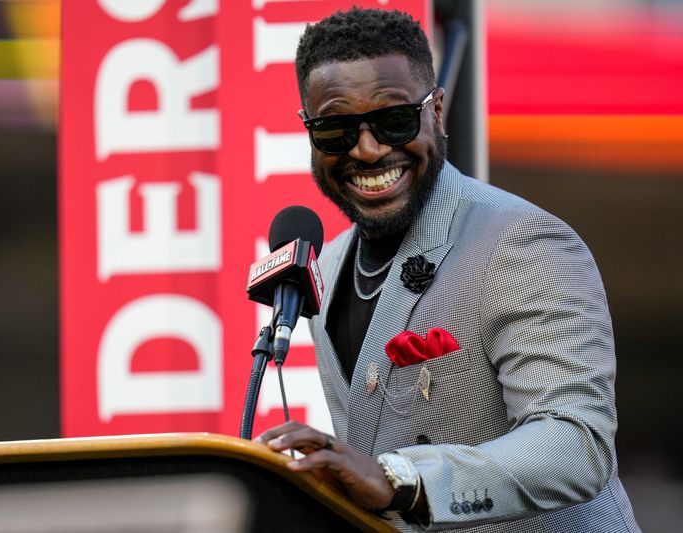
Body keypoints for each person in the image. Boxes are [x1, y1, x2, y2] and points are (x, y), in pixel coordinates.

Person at [254, 7, 640, 532]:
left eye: (394, 120)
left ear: (436, 110)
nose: (367, 150)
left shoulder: (521, 241)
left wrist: (401, 479)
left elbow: (574, 443)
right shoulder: (331, 264)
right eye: (335, 129)